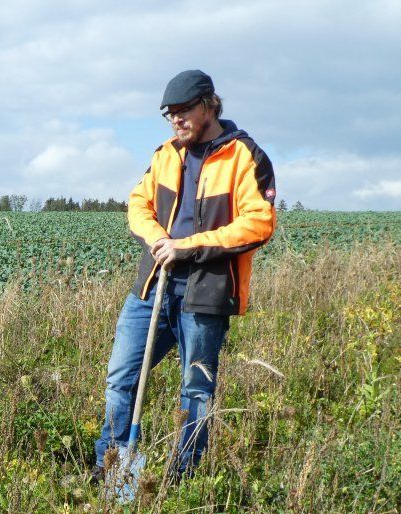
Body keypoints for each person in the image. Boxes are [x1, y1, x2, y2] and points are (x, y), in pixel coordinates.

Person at [93, 69, 276, 485]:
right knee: (122, 378)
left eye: (184, 111)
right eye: (170, 114)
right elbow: (138, 204)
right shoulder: (166, 154)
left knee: (196, 391)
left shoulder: (244, 156)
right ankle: (112, 472)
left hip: (206, 293)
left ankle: (181, 482)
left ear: (209, 104)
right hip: (152, 287)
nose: (177, 120)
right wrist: (159, 239)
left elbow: (259, 223)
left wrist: (188, 245)